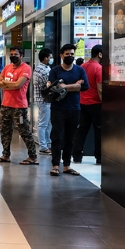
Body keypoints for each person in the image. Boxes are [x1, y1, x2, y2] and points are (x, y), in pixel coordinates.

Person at [48, 44, 89, 176]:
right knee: (57, 137)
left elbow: (85, 87)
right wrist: (75, 86)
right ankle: (55, 165)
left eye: (72, 54)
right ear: (61, 55)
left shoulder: (80, 70)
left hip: (75, 108)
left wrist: (66, 86)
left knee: (70, 138)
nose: (70, 56)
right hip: (58, 108)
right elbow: (54, 88)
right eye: (67, 54)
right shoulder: (55, 70)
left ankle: (66, 165)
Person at [0, 46, 39, 165]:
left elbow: (18, 85)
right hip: (5, 105)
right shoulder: (7, 67)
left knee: (24, 131)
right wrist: (9, 84)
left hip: (19, 107)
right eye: (11, 54)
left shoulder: (26, 68)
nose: (13, 56)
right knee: (4, 131)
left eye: (16, 54)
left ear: (21, 55)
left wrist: (5, 83)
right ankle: (5, 155)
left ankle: (33, 156)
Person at [74, 44, 103, 164]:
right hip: (96, 103)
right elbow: (100, 89)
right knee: (99, 130)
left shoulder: (82, 66)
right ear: (100, 54)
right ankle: (99, 157)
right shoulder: (99, 68)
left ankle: (77, 155)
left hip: (82, 103)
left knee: (81, 130)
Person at [33, 48, 54, 155]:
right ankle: (43, 146)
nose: (51, 59)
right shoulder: (45, 70)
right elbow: (49, 85)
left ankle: (47, 143)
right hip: (44, 100)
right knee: (43, 124)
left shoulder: (37, 68)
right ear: (45, 58)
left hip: (40, 99)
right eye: (50, 57)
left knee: (47, 123)